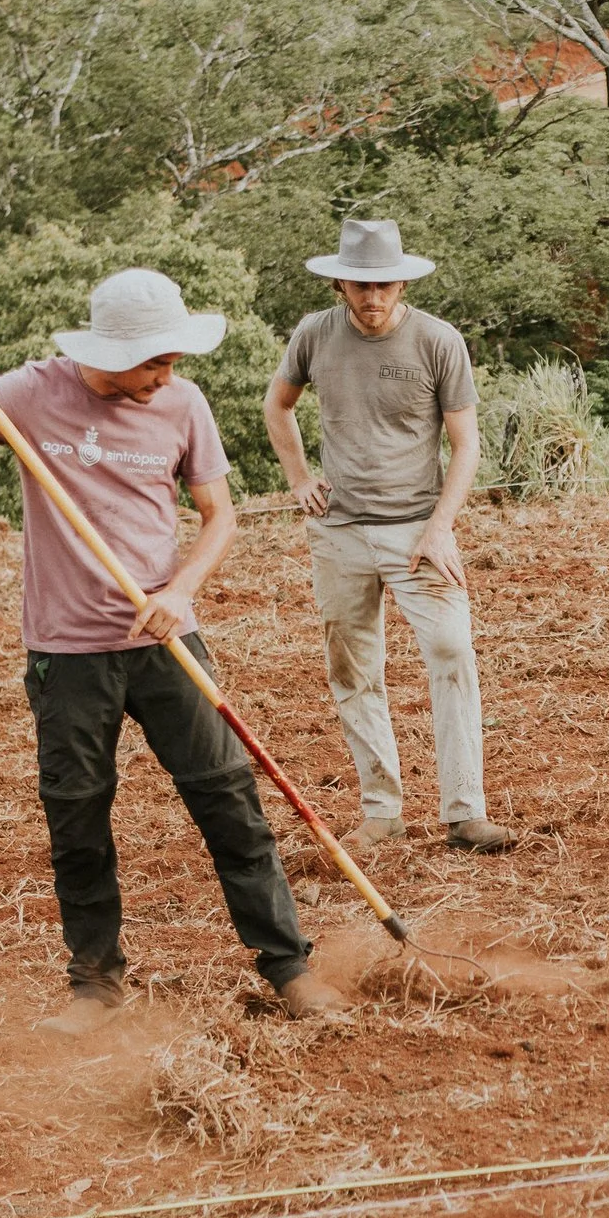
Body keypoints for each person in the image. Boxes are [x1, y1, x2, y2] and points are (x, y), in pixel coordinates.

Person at [0, 269, 345, 1032]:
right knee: (77, 815)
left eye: (173, 361)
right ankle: (95, 985)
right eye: (155, 363)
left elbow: (220, 516)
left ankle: (287, 966)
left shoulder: (183, 402)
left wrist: (179, 591)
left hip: (165, 636)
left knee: (229, 800)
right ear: (112, 350)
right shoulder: (26, 394)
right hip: (66, 651)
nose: (169, 375)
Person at [263, 219, 510, 856]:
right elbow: (279, 404)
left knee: (453, 652)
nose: (373, 297)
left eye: (385, 284)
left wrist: (441, 528)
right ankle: (381, 811)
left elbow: (466, 443)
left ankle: (466, 809)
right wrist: (298, 481)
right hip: (340, 530)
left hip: (418, 529)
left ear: (403, 282)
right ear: (340, 282)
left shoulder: (437, 340)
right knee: (353, 669)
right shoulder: (315, 335)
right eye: (360, 284)